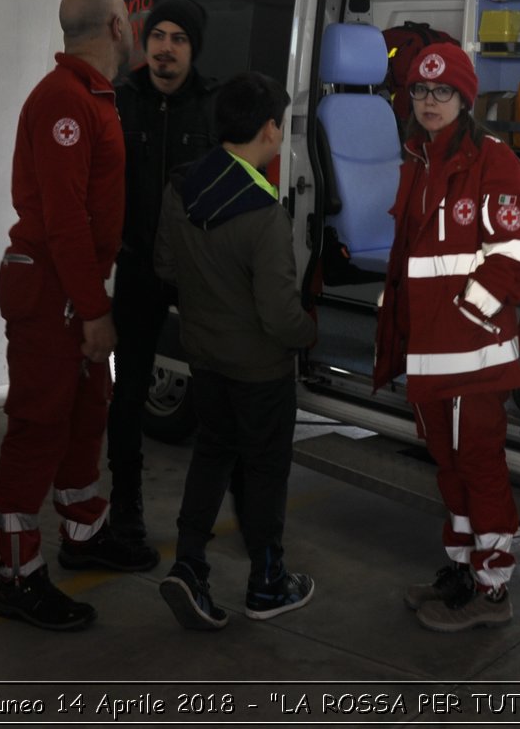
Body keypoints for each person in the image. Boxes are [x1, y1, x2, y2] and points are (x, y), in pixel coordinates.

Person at [0, 0, 156, 633]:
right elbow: (63, 220)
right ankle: (18, 575)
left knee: (87, 413)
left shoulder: (95, 96)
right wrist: (93, 309)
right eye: (134, 17)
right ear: (118, 25)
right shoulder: (65, 100)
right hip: (52, 292)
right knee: (38, 426)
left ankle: (83, 532)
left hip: (77, 286)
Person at [373, 43, 520, 633]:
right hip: (430, 350)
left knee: (480, 465)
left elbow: (513, 257)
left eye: (443, 92)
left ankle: (493, 592)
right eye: (420, 91)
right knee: (446, 463)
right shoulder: (416, 159)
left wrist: (467, 317)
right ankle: (463, 571)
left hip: (474, 353)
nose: (430, 102)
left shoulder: (494, 161)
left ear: (465, 98)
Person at [154, 71, 317, 630]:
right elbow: (279, 316)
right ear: (271, 130)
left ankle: (189, 565)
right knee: (266, 471)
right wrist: (308, 334)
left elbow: (166, 267)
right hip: (261, 371)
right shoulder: (264, 213)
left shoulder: (182, 188)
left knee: (212, 456)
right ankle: (267, 584)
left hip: (205, 360)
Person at [108, 0, 217, 550]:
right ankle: (125, 509)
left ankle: (211, 518)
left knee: (218, 396)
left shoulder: (213, 107)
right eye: (158, 36)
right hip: (136, 268)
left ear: (193, 50)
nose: (165, 49)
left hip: (197, 276)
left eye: (178, 39)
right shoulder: (120, 100)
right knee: (127, 393)